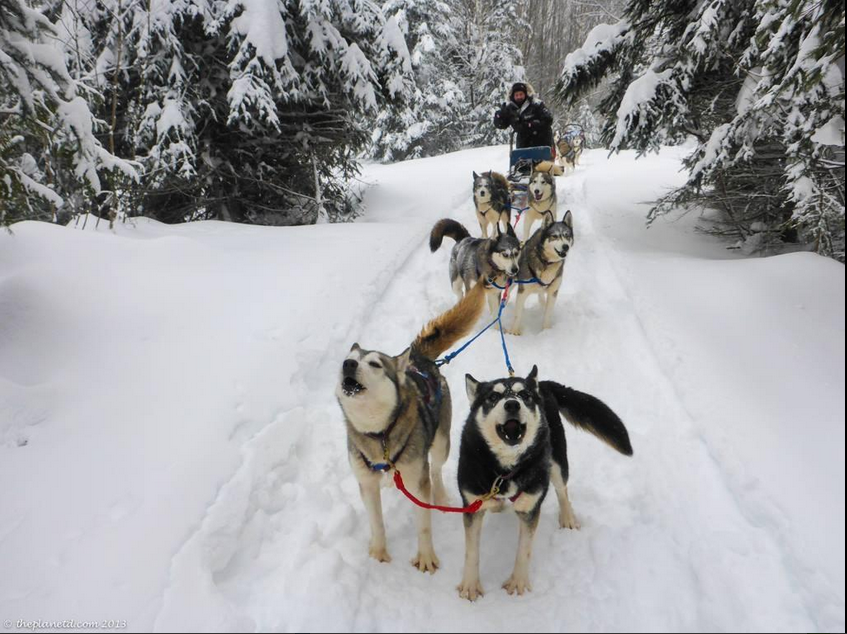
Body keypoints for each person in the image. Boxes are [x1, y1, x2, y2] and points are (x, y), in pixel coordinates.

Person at [493, 82, 555, 150]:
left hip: (542, 143)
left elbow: (548, 119)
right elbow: (501, 125)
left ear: (526, 94)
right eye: (516, 95)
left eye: (521, 94)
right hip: (523, 145)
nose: (519, 97)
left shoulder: (537, 104)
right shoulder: (510, 109)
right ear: (513, 96)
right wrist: (500, 115)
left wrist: (532, 125)